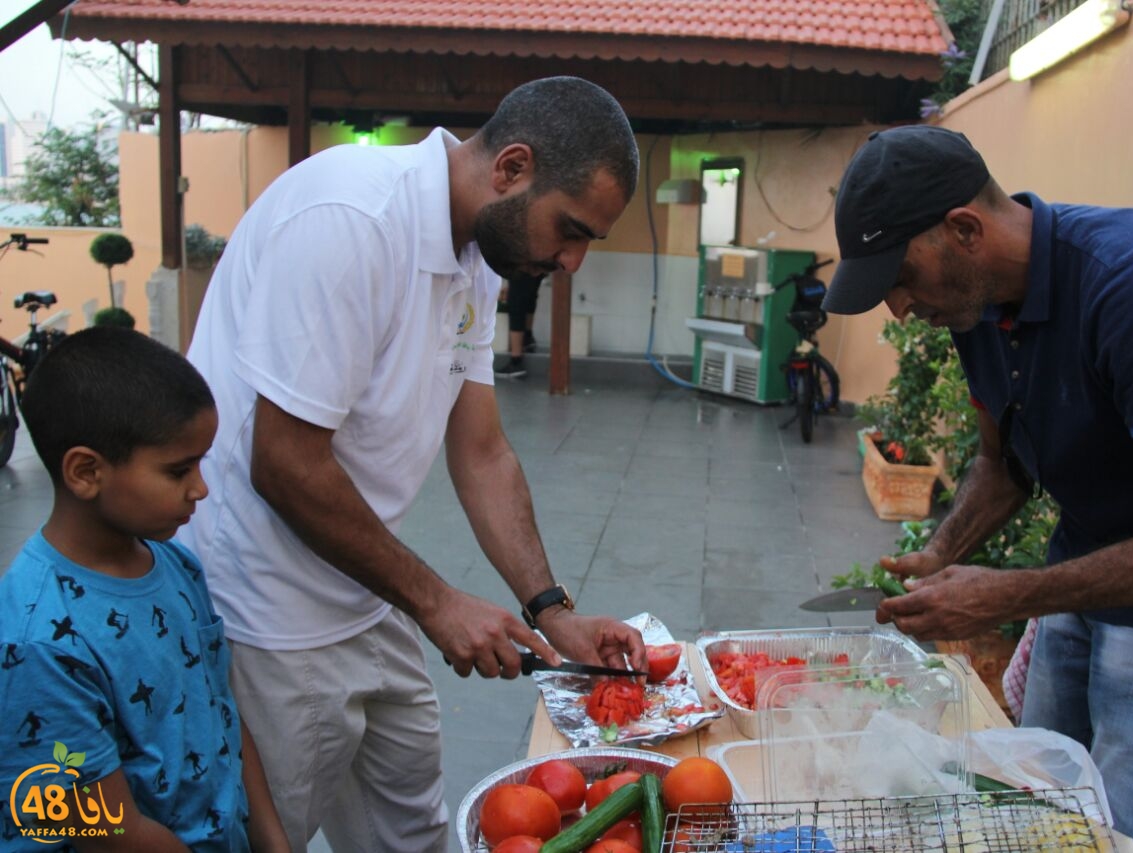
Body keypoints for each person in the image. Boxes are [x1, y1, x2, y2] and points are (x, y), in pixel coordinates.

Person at [179, 76, 647, 851]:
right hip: (265, 612)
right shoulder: (352, 221)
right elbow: (285, 462)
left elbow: (483, 450)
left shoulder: (477, 255)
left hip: (365, 591)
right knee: (269, 835)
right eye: (571, 229)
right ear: (512, 169)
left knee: (413, 830)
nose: (572, 262)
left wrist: (553, 612)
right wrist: (435, 601)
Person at [823, 125, 1133, 853]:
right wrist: (942, 552)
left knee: (1121, 838)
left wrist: (1008, 593)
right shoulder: (975, 307)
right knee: (1031, 817)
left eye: (900, 279)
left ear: (964, 229)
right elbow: (1002, 465)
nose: (900, 310)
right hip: (1080, 584)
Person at [0, 327, 288, 852]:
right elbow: (106, 832)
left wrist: (272, 841)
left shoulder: (176, 566)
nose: (200, 488)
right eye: (179, 469)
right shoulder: (37, 642)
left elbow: (220, 709)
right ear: (86, 472)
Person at [495, 272, 545, 379]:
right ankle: (527, 339)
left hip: (521, 261)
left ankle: (516, 360)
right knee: (530, 296)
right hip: (539, 261)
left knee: (516, 302)